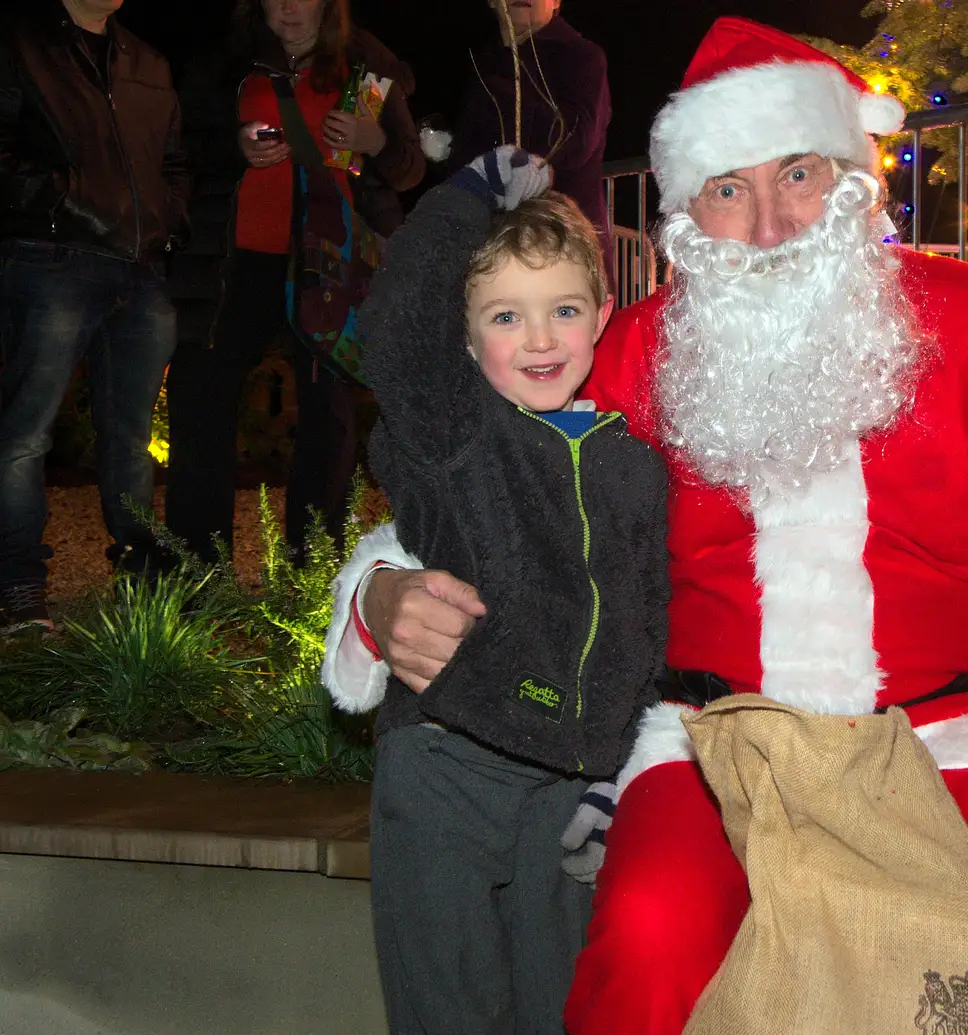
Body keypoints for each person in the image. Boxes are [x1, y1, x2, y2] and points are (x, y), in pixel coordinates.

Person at [323, 19, 968, 1035]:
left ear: (854, 177)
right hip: (709, 737)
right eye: (727, 189)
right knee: (644, 936)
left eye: (797, 174)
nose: (768, 224)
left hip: (946, 735)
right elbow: (492, 493)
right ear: (687, 213)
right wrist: (381, 593)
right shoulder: (637, 352)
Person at [333, 143, 667, 1034]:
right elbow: (395, 326)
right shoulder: (455, 432)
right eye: (505, 316)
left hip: (571, 786)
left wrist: (621, 771)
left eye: (563, 308)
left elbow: (648, 626)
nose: (542, 338)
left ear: (602, 315)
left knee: (554, 1009)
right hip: (449, 759)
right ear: (468, 333)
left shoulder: (632, 463)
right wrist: (469, 194)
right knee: (447, 1005)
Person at [163, 0, 423, 565]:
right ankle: (199, 576)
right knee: (202, 407)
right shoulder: (224, 62)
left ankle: (315, 569)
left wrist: (372, 139)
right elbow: (179, 147)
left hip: (326, 268)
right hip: (232, 265)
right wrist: (235, 147)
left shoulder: (368, 63)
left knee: (328, 418)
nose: (290, 7)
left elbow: (409, 167)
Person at [0, 0, 188, 632]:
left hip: (138, 271)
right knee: (25, 435)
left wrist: (165, 224)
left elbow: (174, 162)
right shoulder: (21, 43)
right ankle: (21, 590)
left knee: (132, 440)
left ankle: (141, 587)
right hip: (50, 259)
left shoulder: (148, 62)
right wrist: (65, 198)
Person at [438, 1, 611, 274]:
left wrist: (510, 86)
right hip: (494, 249)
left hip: (564, 246)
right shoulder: (482, 63)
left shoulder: (582, 56)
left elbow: (575, 143)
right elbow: (467, 157)